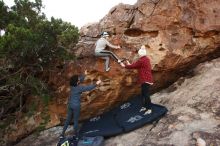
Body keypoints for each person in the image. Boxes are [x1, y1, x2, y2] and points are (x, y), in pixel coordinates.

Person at [60, 70, 101, 139]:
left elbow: (79, 80)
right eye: (78, 79)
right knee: (76, 120)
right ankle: (75, 135)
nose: (79, 79)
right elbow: (88, 88)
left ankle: (62, 134)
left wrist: (84, 74)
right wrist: (96, 83)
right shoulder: (79, 88)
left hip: (70, 105)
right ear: (77, 82)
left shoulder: (72, 85)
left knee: (68, 119)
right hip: (76, 106)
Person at [120, 45, 153, 115]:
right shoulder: (146, 59)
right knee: (143, 93)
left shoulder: (141, 60)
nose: (138, 55)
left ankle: (149, 109)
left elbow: (134, 66)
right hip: (147, 79)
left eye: (139, 54)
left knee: (146, 94)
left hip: (145, 80)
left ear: (140, 54)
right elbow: (136, 65)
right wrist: (128, 64)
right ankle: (144, 106)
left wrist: (124, 65)